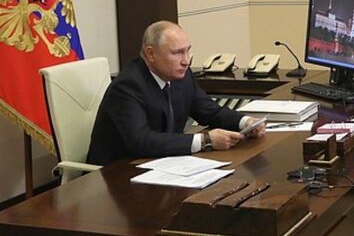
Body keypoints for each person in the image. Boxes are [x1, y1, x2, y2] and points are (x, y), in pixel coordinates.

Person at [87, 21, 266, 166]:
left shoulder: (181, 76)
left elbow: (210, 111)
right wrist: (205, 141)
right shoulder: (128, 85)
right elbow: (141, 141)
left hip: (163, 165)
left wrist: (245, 122)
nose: (186, 61)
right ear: (150, 54)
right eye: (177, 53)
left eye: (188, 50)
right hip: (116, 174)